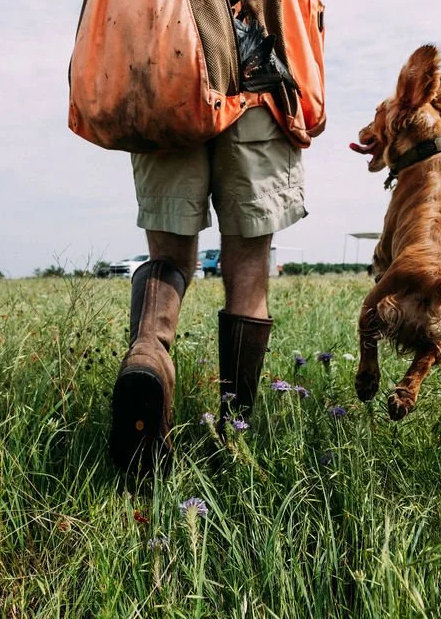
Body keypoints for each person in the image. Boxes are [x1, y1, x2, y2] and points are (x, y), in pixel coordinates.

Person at [108, 90, 308, 475]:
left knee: (167, 258)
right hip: (258, 90)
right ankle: (234, 436)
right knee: (249, 271)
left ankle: (148, 357)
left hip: (168, 82)